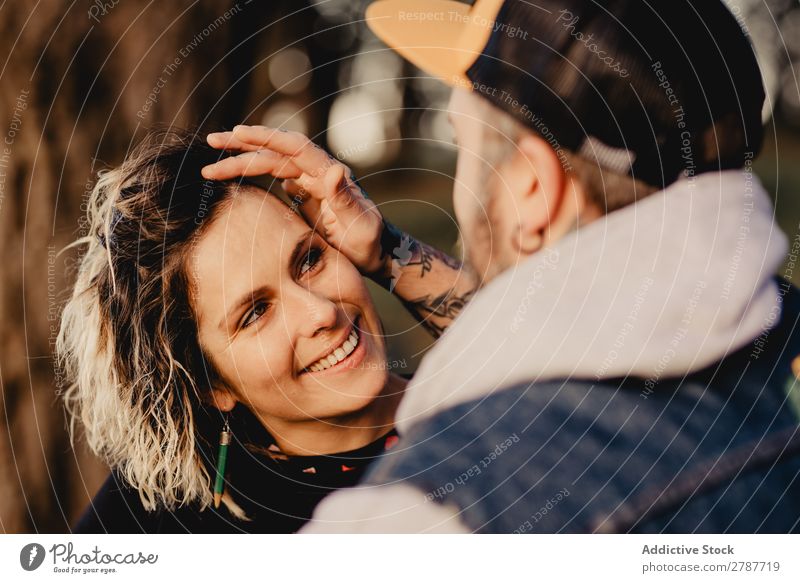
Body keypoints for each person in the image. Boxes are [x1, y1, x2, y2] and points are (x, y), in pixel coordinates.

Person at [249, 0, 798, 532]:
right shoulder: (777, 346)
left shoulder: (431, 516)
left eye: (465, 143)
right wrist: (386, 249)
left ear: (534, 189)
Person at [57, 128, 476, 533]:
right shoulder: (167, 511)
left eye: (309, 260)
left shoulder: (484, 410)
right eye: (255, 312)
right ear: (211, 382)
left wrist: (385, 251)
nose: (321, 314)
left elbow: (533, 338)